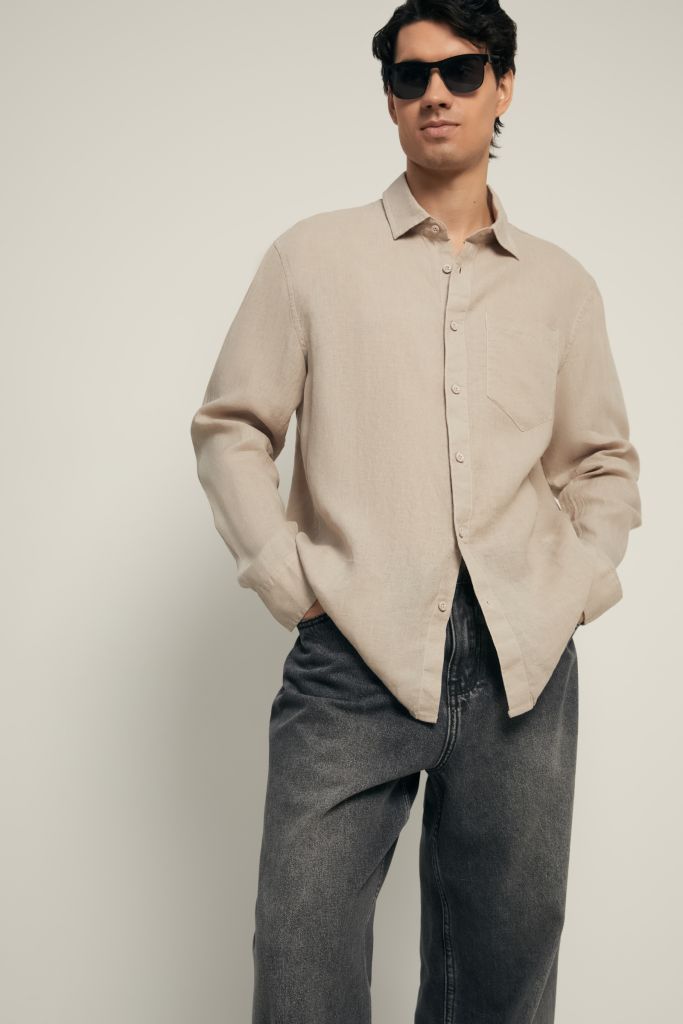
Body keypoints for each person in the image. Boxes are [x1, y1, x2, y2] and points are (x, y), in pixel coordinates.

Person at [190, 2, 642, 1021]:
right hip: (350, 654)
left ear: (503, 85)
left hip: (521, 665)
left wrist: (573, 585)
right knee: (301, 960)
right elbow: (231, 427)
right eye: (409, 76)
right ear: (389, 99)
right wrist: (291, 580)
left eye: (461, 70)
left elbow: (601, 462)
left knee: (502, 972)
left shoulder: (560, 287)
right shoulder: (311, 258)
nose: (434, 93)